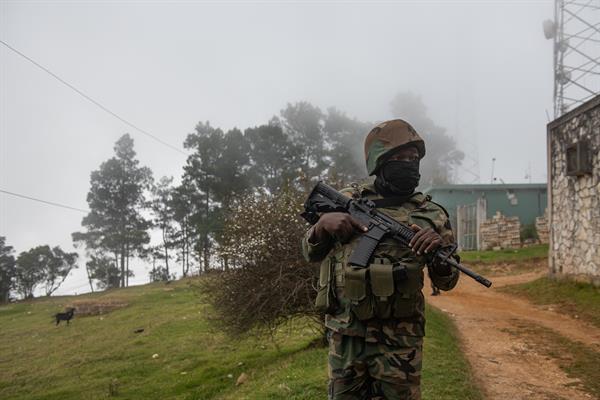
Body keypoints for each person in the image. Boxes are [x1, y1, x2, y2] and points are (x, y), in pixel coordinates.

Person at [301, 119, 460, 400]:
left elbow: (447, 282)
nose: (409, 164)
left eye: (414, 158)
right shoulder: (348, 199)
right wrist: (321, 225)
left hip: (400, 341)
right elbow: (310, 252)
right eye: (400, 157)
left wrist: (439, 256)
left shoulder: (432, 214)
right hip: (347, 336)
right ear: (379, 161)